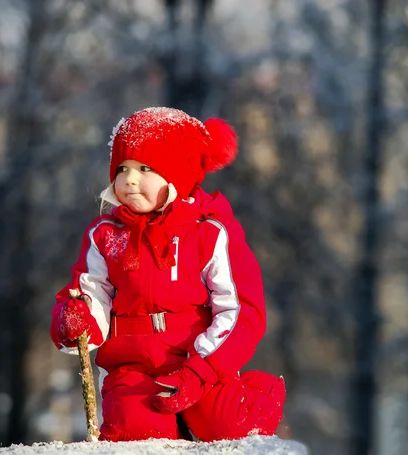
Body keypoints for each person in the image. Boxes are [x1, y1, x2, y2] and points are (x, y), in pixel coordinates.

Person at [50, 107, 286, 442]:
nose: (129, 179)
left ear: (177, 174)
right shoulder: (106, 235)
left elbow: (240, 310)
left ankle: (251, 400)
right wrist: (76, 320)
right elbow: (90, 291)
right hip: (132, 366)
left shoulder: (208, 232)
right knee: (136, 434)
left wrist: (200, 371)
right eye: (122, 168)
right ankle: (162, 427)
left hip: (200, 362)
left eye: (145, 169)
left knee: (227, 429)